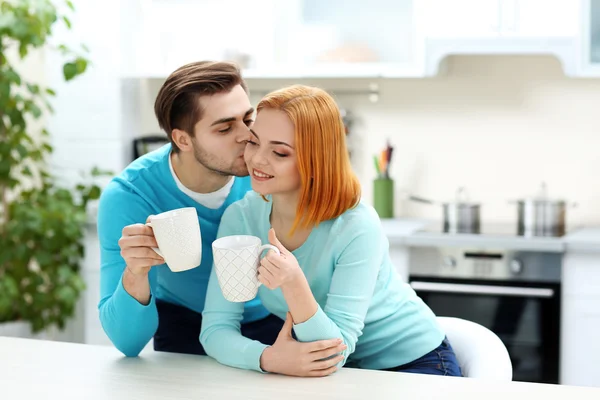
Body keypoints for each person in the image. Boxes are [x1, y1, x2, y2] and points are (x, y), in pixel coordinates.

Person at [97, 62, 345, 371]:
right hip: (185, 325)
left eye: (248, 118)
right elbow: (127, 344)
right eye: (225, 128)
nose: (248, 137)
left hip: (275, 315)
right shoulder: (130, 196)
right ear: (183, 140)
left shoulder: (266, 174)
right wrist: (135, 272)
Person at [200, 85, 462, 377]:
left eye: (280, 152)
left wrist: (293, 282)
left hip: (412, 363)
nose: (257, 159)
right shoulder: (242, 217)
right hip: (337, 373)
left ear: (317, 161)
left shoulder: (355, 225)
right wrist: (267, 358)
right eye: (253, 142)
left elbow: (332, 355)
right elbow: (215, 329)